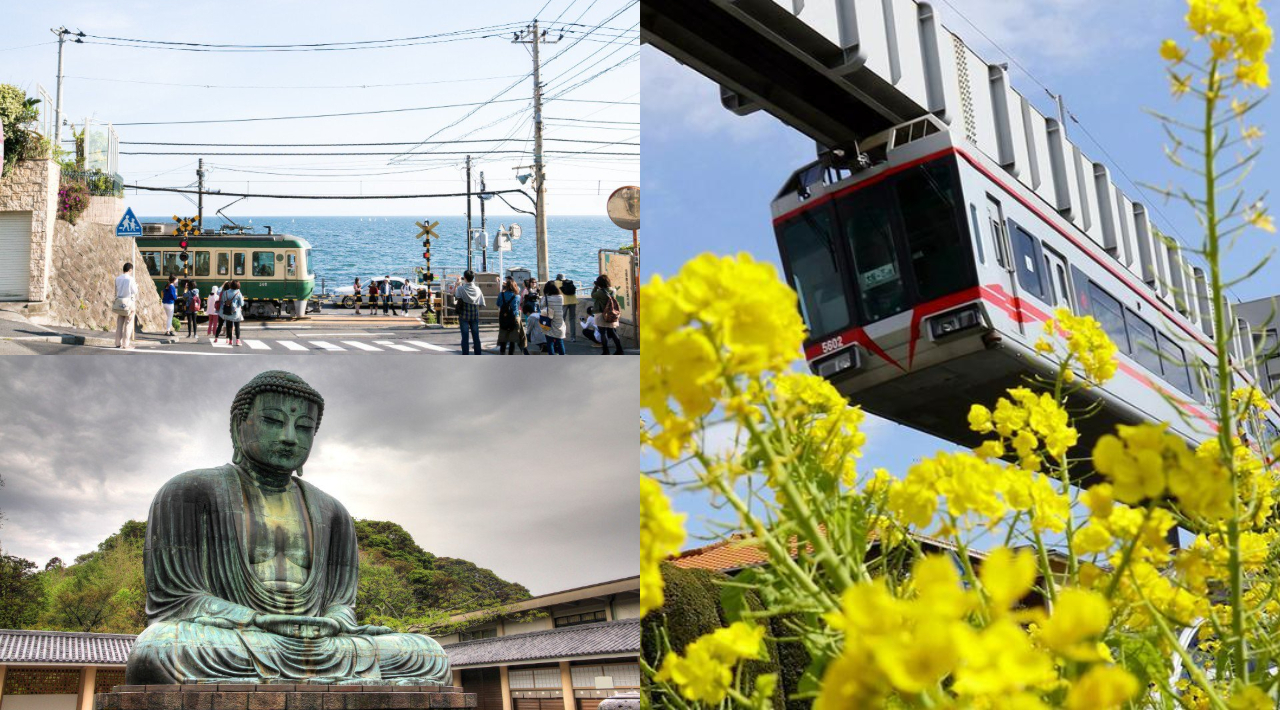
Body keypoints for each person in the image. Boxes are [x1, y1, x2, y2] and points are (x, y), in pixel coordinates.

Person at [124, 370, 450, 685]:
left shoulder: (333, 512)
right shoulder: (189, 492)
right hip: (235, 638)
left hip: (320, 644)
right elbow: (179, 601)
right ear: (239, 426)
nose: (289, 437)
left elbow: (340, 604)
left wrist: (334, 623)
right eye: (273, 421)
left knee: (430, 655)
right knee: (159, 648)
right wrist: (256, 619)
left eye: (304, 427)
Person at [454, 270, 485, 354]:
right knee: (476, 336)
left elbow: (456, 295)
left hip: (464, 315)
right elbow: (481, 302)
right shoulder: (477, 289)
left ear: (465, 278)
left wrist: (457, 284)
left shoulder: (461, 288)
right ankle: (478, 354)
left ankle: (465, 354)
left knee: (465, 337)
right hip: (474, 314)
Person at [593, 274, 624, 355]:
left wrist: (595, 287)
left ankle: (605, 351)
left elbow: (593, 295)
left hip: (601, 314)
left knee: (603, 333)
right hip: (611, 313)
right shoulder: (613, 290)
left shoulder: (600, 292)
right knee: (613, 332)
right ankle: (619, 349)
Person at [112, 262, 139, 349]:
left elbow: (116, 291)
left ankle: (117, 343)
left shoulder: (117, 278)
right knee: (128, 324)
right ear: (130, 270)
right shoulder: (131, 279)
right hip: (129, 303)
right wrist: (137, 286)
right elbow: (134, 291)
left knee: (119, 323)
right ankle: (125, 344)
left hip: (120, 302)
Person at [496, 278, 524, 355]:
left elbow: (498, 304)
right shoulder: (517, 296)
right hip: (514, 318)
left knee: (503, 338)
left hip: (503, 318)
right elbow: (518, 306)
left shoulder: (501, 295)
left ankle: (502, 353)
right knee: (512, 340)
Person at [541, 281, 567, 355]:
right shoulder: (560, 297)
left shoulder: (546, 298)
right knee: (560, 341)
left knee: (550, 342)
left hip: (549, 321)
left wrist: (544, 296)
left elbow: (542, 306)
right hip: (559, 321)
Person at [554, 273, 579, 342]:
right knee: (572, 319)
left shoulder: (556, 283)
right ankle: (573, 337)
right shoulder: (569, 282)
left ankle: (561, 335)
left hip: (564, 302)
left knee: (562, 319)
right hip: (573, 301)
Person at [220, 280, 245, 346]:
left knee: (229, 326)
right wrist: (242, 299)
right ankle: (237, 341)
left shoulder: (225, 292)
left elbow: (223, 301)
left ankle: (230, 340)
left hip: (227, 311)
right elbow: (241, 304)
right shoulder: (238, 293)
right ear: (238, 286)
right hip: (236, 312)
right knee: (237, 326)